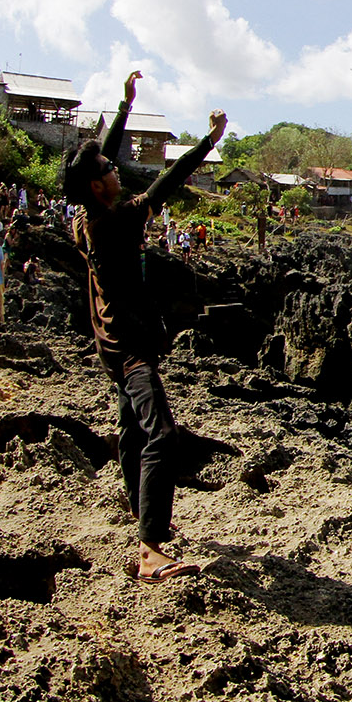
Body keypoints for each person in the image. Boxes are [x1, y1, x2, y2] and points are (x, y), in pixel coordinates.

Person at [63, 70, 224, 585]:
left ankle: (142, 516)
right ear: (98, 185)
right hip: (130, 345)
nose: (118, 169)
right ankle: (150, 548)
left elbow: (97, 159)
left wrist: (125, 106)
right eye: (111, 168)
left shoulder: (84, 215)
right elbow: (169, 180)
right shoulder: (114, 221)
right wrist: (208, 142)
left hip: (110, 339)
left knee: (131, 431)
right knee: (162, 435)